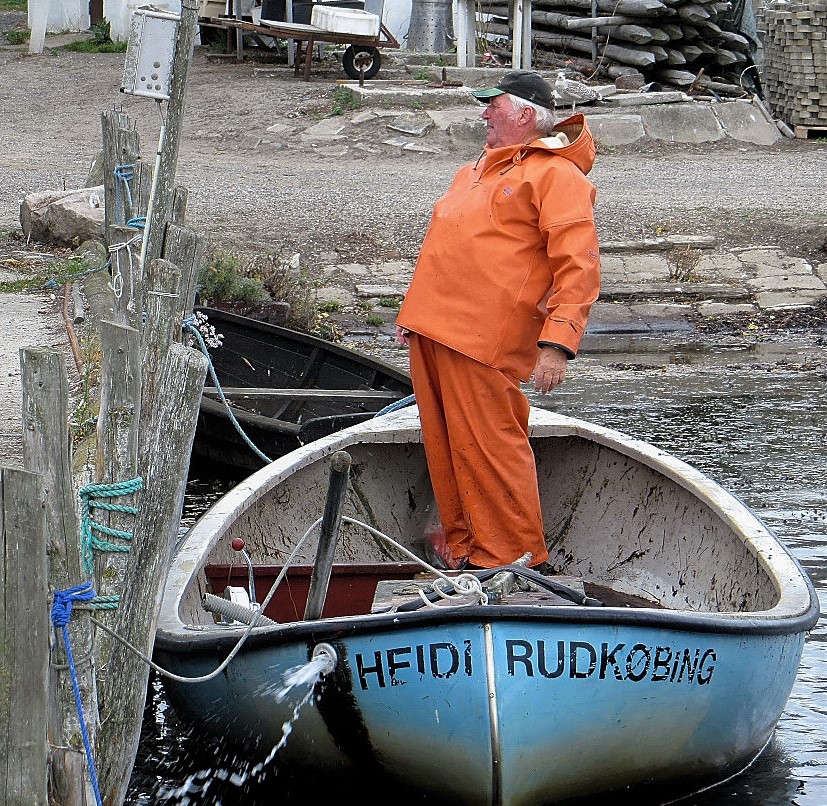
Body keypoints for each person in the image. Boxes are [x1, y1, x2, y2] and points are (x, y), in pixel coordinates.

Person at [395, 70, 601, 572]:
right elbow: (446, 243)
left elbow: (579, 265)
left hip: (485, 340)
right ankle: (467, 553)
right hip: (432, 330)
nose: (483, 113)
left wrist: (557, 344)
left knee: (491, 451)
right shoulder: (474, 169)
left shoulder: (557, 175)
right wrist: (412, 312)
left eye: (494, 105)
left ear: (526, 115)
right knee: (446, 451)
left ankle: (516, 560)